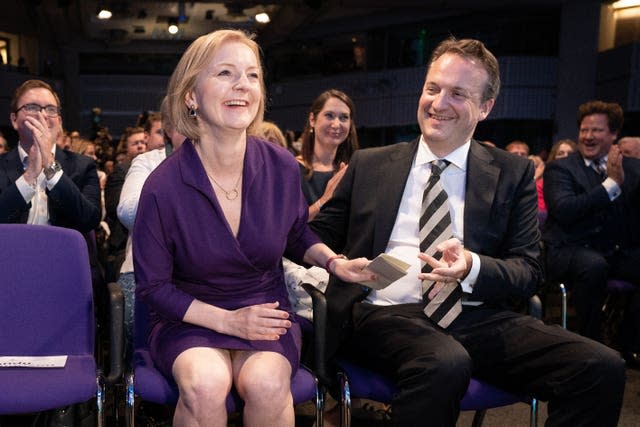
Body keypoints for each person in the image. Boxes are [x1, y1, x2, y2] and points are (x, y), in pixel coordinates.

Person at [310, 38, 625, 427]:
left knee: (601, 367)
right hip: (383, 313)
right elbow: (308, 237)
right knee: (444, 361)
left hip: (474, 314)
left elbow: (529, 270)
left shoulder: (512, 172)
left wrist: (472, 267)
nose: (439, 103)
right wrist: (329, 250)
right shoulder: (370, 164)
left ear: (486, 107)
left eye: (458, 93)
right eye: (432, 88)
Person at [132, 29, 371, 427]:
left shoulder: (280, 165)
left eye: (252, 75)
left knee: (266, 384)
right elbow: (153, 289)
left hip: (264, 310)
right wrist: (226, 321)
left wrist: (333, 263)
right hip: (189, 318)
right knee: (206, 384)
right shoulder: (162, 186)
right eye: (225, 73)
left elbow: (295, 233)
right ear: (191, 95)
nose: (242, 85)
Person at [543, 100, 640, 364]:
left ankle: (628, 343)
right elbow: (565, 210)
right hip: (569, 249)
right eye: (584, 130)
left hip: (612, 250)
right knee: (594, 266)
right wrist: (611, 184)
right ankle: (591, 346)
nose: (588, 136)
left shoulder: (632, 168)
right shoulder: (560, 168)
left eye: (596, 130)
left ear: (613, 134)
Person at [116, 97, 186, 363]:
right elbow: (128, 212)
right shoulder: (148, 162)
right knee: (134, 323)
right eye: (184, 121)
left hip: (204, 273)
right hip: (142, 270)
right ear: (167, 128)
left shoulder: (219, 162)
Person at [0, 79, 101, 233]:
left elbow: (89, 220)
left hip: (61, 255)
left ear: (59, 122)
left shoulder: (83, 166)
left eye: (51, 109)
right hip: (9, 254)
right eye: (32, 107)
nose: (43, 115)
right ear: (14, 120)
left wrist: (50, 166)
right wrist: (29, 177)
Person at [296, 89, 359, 221]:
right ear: (312, 120)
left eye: (344, 118)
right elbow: (286, 225)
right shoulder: (291, 169)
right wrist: (324, 200)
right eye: (329, 115)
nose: (336, 124)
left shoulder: (351, 171)